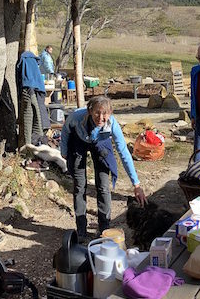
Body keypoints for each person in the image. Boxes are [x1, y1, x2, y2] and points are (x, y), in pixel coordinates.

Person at [60, 95, 147, 237]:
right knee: (79, 186)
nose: (101, 117)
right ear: (89, 111)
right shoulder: (76, 117)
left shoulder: (112, 124)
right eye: (97, 113)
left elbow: (123, 152)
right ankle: (81, 229)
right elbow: (65, 132)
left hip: (101, 143)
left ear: (110, 113)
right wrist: (64, 152)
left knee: (103, 186)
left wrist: (136, 185)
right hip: (79, 141)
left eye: (105, 113)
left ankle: (105, 228)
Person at [17, 50, 48, 146]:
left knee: (30, 118)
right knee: (37, 118)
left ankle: (30, 145)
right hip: (35, 94)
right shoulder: (33, 66)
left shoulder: (27, 66)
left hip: (30, 92)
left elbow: (27, 117)